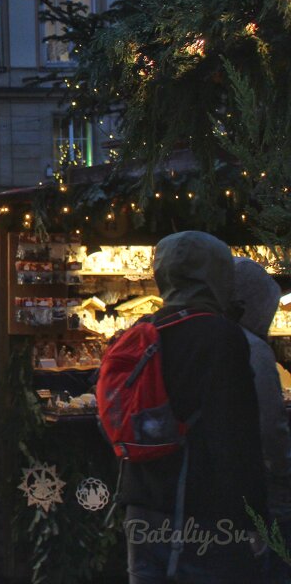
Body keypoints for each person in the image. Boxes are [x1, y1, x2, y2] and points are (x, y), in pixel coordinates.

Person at [119, 232, 268, 584]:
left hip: (140, 507)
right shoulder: (221, 337)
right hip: (202, 515)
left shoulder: (144, 331)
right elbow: (234, 436)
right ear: (217, 275)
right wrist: (254, 517)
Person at [232, 257, 291, 581]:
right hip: (259, 497)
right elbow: (271, 429)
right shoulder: (252, 349)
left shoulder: (201, 336)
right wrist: (283, 473)